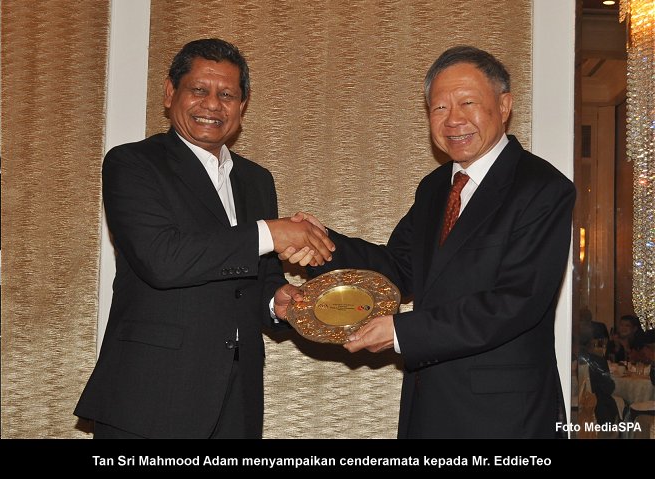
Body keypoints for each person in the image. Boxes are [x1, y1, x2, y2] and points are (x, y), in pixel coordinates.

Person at [282, 46, 575, 438]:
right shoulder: (436, 188)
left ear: (504, 106)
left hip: (504, 418)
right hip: (427, 408)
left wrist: (403, 333)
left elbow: (516, 302)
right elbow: (398, 269)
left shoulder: (542, 188)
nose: (453, 119)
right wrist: (322, 243)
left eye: (467, 103)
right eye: (439, 108)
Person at [74, 38, 334, 439]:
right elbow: (162, 260)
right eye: (199, 89)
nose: (212, 104)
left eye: (226, 94)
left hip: (236, 398)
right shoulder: (132, 163)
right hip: (150, 396)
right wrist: (271, 231)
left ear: (242, 106)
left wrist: (275, 301)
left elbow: (256, 276)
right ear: (169, 93)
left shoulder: (256, 180)